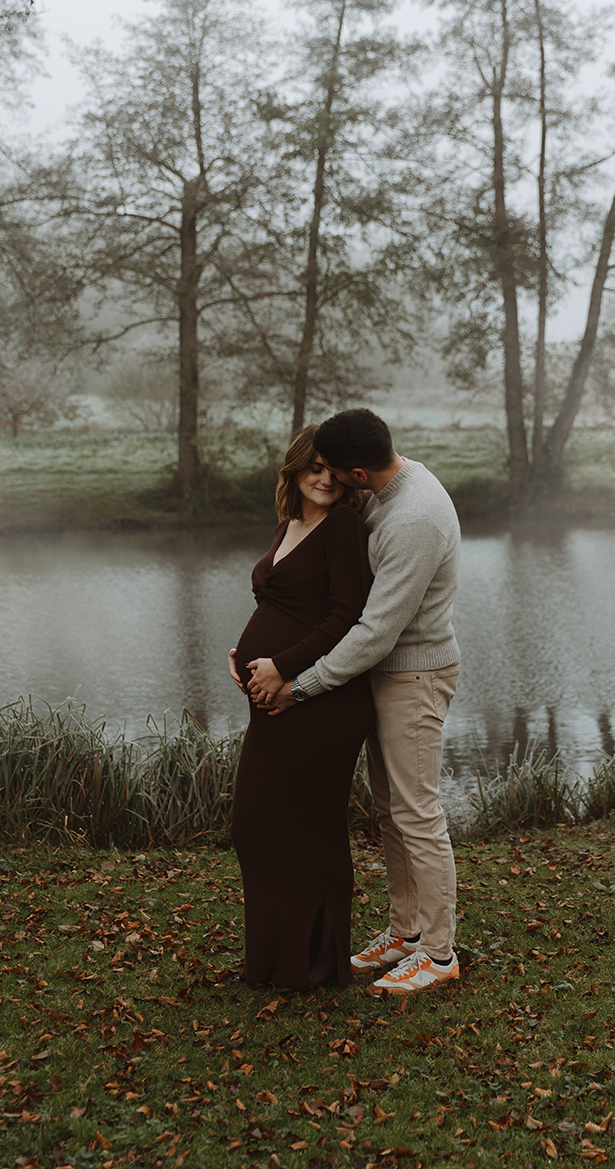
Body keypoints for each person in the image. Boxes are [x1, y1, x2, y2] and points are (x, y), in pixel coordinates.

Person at [245, 409, 461, 996]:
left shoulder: (414, 519)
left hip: (412, 675)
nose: (335, 486)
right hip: (382, 676)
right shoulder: (387, 490)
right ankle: (404, 931)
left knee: (417, 813)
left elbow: (373, 631)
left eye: (340, 476)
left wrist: (300, 683)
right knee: (392, 812)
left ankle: (439, 954)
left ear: (360, 472)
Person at [228, 425, 374, 991]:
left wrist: (282, 666)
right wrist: (242, 654)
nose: (324, 478)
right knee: (258, 828)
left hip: (322, 702)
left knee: (305, 828)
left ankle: (313, 965)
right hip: (276, 698)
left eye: (333, 470)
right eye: (313, 467)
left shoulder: (343, 527)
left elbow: (344, 617)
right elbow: (276, 600)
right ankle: (273, 964)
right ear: (293, 470)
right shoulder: (290, 522)